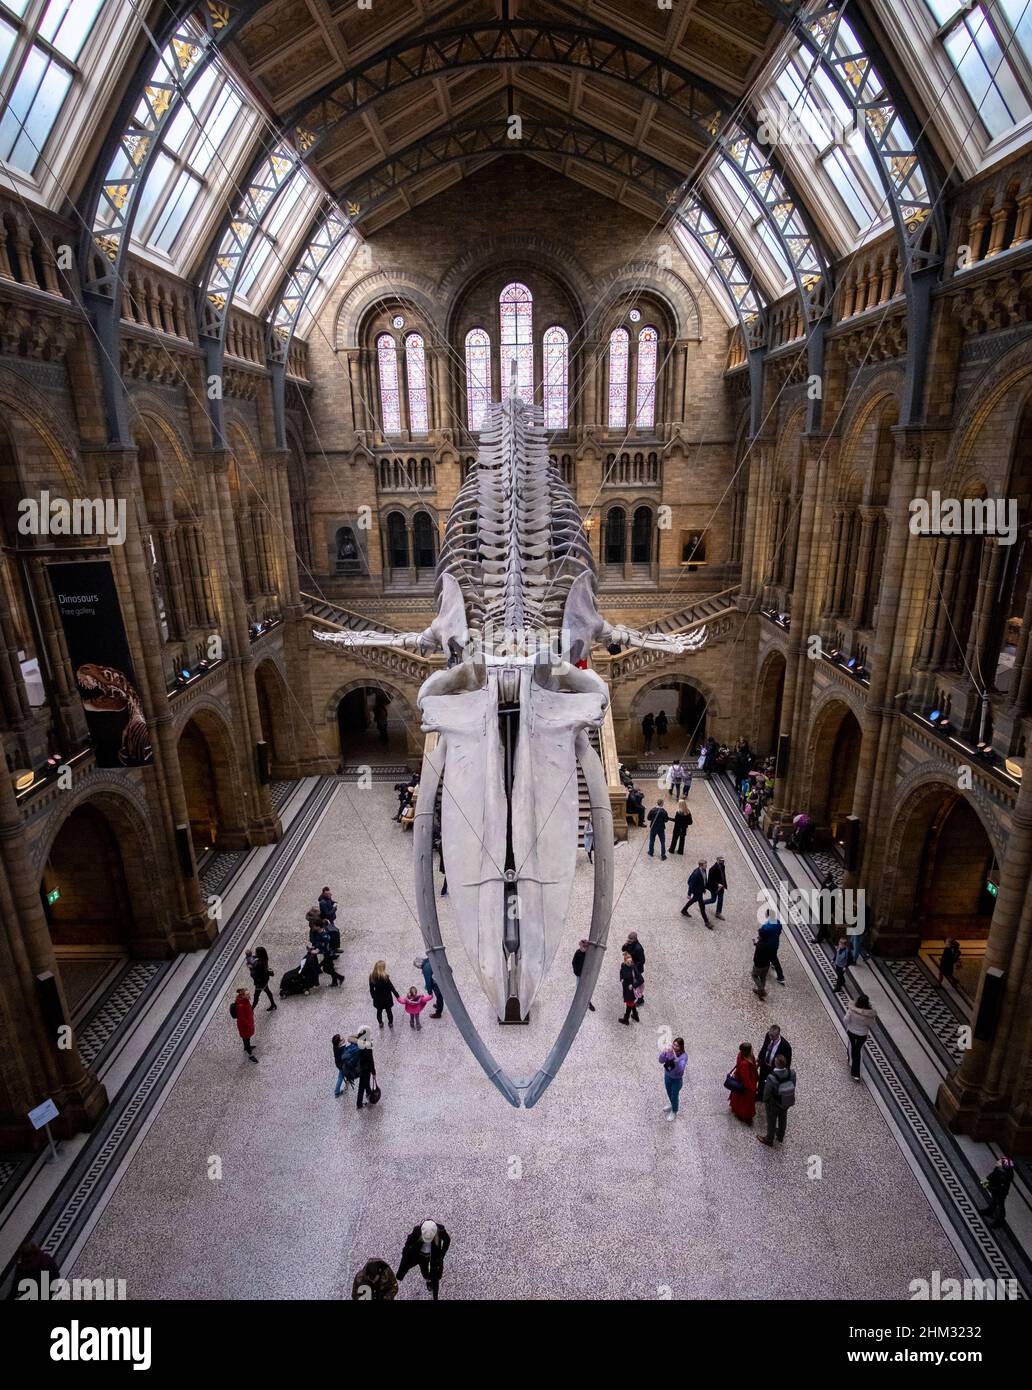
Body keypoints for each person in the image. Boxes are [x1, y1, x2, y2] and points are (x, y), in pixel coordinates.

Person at [396, 1220, 451, 1301]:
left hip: (434, 1256)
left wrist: (442, 1255)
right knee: (424, 1271)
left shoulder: (440, 1231)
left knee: (435, 1276)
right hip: (420, 1256)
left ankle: (435, 1297)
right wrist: (407, 1252)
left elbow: (447, 1240)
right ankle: (428, 1280)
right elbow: (408, 1244)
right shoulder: (417, 1230)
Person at [757, 1053, 795, 1147]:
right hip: (786, 1100)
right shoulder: (792, 1073)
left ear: (776, 1063)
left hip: (774, 1103)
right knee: (783, 1117)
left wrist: (766, 1101)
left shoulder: (771, 1077)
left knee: (771, 1120)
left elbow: (767, 1093)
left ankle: (769, 1139)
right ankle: (780, 1135)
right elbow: (793, 1084)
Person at [842, 991, 876, 1081]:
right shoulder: (870, 1015)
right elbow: (871, 1024)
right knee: (858, 1051)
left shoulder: (852, 1010)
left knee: (851, 1046)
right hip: (862, 1034)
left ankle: (850, 1060)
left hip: (851, 1032)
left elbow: (845, 1020)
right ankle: (856, 1073)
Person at [728, 1042, 759, 1124]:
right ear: (748, 1051)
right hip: (746, 1085)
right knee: (744, 1101)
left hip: (748, 1081)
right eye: (751, 1048)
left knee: (739, 1098)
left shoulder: (745, 1056)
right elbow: (745, 1079)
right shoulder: (744, 1064)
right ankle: (742, 1114)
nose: (753, 1049)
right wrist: (752, 1088)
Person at [757, 1025, 792, 1096]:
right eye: (770, 1035)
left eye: (772, 1036)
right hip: (764, 1066)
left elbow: (787, 1063)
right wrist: (760, 1058)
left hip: (773, 1070)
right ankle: (760, 1096)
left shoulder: (785, 1046)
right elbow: (764, 1047)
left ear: (778, 1035)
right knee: (761, 1082)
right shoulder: (768, 1035)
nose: (770, 1037)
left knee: (771, 1087)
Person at [981, 1156, 1015, 1228]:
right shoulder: (998, 1169)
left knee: (1000, 1205)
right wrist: (986, 1181)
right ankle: (990, 1211)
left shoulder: (1005, 1176)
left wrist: (990, 1187)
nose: (998, 1161)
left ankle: (999, 1221)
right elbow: (992, 1175)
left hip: (1001, 1192)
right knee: (994, 1200)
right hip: (995, 1187)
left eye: (1000, 1161)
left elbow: (1000, 1188)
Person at [658, 1037, 688, 1120]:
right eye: (674, 1044)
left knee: (674, 1096)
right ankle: (672, 1104)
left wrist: (674, 1057)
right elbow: (660, 1061)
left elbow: (680, 1069)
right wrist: (664, 1052)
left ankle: (674, 1111)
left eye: (677, 1046)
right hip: (667, 1076)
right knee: (669, 1093)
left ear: (681, 1047)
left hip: (676, 1080)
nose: (674, 1047)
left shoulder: (684, 1056)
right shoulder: (669, 1052)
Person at [349, 1025, 377, 1108]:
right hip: (366, 1068)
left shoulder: (358, 1042)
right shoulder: (368, 1046)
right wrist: (374, 1072)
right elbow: (371, 1061)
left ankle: (368, 1093)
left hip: (359, 1066)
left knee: (365, 1082)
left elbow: (349, 1038)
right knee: (362, 1086)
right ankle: (359, 1104)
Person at [369, 960, 401, 1029]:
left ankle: (380, 1023)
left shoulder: (372, 976)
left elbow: (371, 989)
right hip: (387, 998)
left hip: (378, 998)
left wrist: (373, 997)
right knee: (389, 1011)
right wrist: (397, 996)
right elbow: (391, 987)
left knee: (379, 1011)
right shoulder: (385, 977)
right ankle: (390, 1023)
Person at [230, 987, 257, 1063]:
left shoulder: (245, 1001)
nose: (249, 995)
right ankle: (250, 1055)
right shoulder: (240, 1006)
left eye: (249, 993)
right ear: (243, 996)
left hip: (247, 1024)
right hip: (245, 1026)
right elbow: (242, 1019)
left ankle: (246, 1047)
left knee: (246, 1038)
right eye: (247, 994)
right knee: (246, 1039)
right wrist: (249, 1025)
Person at [758, 909, 785, 984]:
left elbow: (762, 934)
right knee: (773, 956)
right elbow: (779, 932)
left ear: (767, 915)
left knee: (774, 959)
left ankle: (781, 977)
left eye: (765, 914)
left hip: (768, 946)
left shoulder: (766, 926)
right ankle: (772, 963)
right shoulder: (778, 923)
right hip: (776, 943)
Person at [681, 860, 710, 926]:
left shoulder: (704, 870)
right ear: (701, 865)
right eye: (705, 865)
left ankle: (684, 910)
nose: (706, 866)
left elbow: (704, 880)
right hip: (697, 891)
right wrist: (689, 894)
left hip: (700, 890)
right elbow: (691, 884)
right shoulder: (696, 874)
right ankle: (706, 921)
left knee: (693, 900)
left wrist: (704, 889)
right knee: (702, 906)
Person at [247, 945, 276, 1011]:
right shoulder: (264, 959)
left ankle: (251, 1009)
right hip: (265, 979)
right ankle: (273, 1004)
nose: (255, 953)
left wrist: (250, 969)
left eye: (256, 952)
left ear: (259, 954)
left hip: (260, 983)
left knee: (256, 996)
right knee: (267, 991)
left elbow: (255, 975)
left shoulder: (259, 964)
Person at [618, 950, 641, 1024]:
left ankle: (626, 1019)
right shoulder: (623, 966)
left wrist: (633, 985)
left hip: (631, 991)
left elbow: (641, 980)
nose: (630, 963)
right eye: (628, 962)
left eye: (631, 962)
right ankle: (635, 1016)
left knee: (629, 1004)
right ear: (625, 962)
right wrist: (621, 979)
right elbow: (621, 972)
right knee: (631, 1003)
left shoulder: (634, 968)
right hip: (626, 989)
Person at [572, 938, 595, 1011]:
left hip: (586, 975)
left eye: (586, 947)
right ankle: (579, 1003)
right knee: (579, 989)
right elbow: (574, 963)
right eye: (583, 947)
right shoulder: (578, 953)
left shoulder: (587, 954)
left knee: (587, 989)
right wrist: (577, 971)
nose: (584, 948)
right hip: (579, 975)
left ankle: (588, 1002)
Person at [813, 871, 837, 943]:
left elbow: (834, 900)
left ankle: (819, 938)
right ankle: (827, 935)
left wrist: (831, 910)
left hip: (828, 907)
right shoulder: (824, 883)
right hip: (822, 904)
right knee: (823, 922)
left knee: (823, 923)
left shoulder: (834, 888)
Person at [622, 932, 645, 1003]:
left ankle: (640, 999)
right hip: (630, 966)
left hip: (636, 969)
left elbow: (642, 961)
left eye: (630, 939)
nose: (628, 940)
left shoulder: (639, 948)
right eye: (628, 939)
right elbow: (623, 950)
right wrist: (625, 945)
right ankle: (633, 994)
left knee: (637, 984)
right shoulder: (629, 944)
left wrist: (633, 967)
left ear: (634, 939)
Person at [752, 935, 773, 999]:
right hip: (766, 965)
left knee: (754, 975)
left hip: (758, 965)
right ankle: (760, 992)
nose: (758, 936)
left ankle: (761, 989)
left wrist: (756, 941)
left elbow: (759, 945)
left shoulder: (759, 944)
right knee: (763, 977)